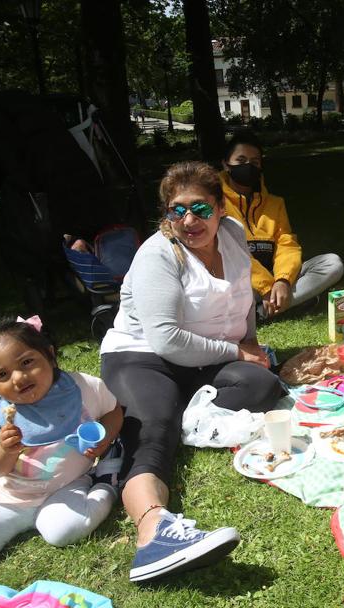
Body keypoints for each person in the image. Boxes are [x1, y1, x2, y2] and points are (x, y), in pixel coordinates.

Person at [100, 161, 285, 583]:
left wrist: (251, 346)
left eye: (200, 208)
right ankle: (154, 533)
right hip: (142, 356)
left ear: (220, 208)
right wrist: (235, 350)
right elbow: (166, 339)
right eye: (176, 210)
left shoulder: (233, 234)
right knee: (155, 427)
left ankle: (176, 406)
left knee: (262, 385)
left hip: (202, 358)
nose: (188, 220)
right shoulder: (158, 255)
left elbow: (241, 299)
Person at [0, 316, 124, 568]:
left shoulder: (83, 387)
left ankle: (105, 483)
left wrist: (105, 437)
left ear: (49, 354)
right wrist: (5, 450)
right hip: (10, 496)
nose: (18, 378)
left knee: (65, 532)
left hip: (67, 486)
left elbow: (113, 411)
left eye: (26, 362)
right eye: (1, 375)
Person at [219, 130, 344, 320]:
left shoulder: (275, 203)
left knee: (332, 263)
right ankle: (287, 302)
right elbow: (231, 253)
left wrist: (283, 280)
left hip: (274, 277)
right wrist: (266, 287)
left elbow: (287, 244)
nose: (248, 166)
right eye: (241, 160)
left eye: (254, 162)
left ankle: (262, 312)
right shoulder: (215, 203)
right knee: (221, 292)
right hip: (239, 281)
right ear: (226, 164)